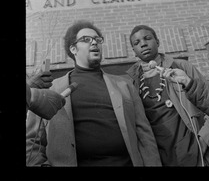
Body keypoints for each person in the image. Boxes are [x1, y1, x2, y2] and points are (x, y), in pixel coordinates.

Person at [26, 20, 161, 167]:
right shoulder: (50, 89)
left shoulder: (125, 85)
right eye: (86, 40)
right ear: (73, 49)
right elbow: (31, 140)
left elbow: (145, 134)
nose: (94, 43)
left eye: (97, 39)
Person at [126, 25, 209, 166]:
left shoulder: (182, 67)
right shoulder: (130, 82)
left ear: (157, 42)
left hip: (194, 153)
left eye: (147, 38)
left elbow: (207, 102)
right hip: (159, 158)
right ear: (134, 51)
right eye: (137, 43)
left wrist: (204, 140)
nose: (143, 44)